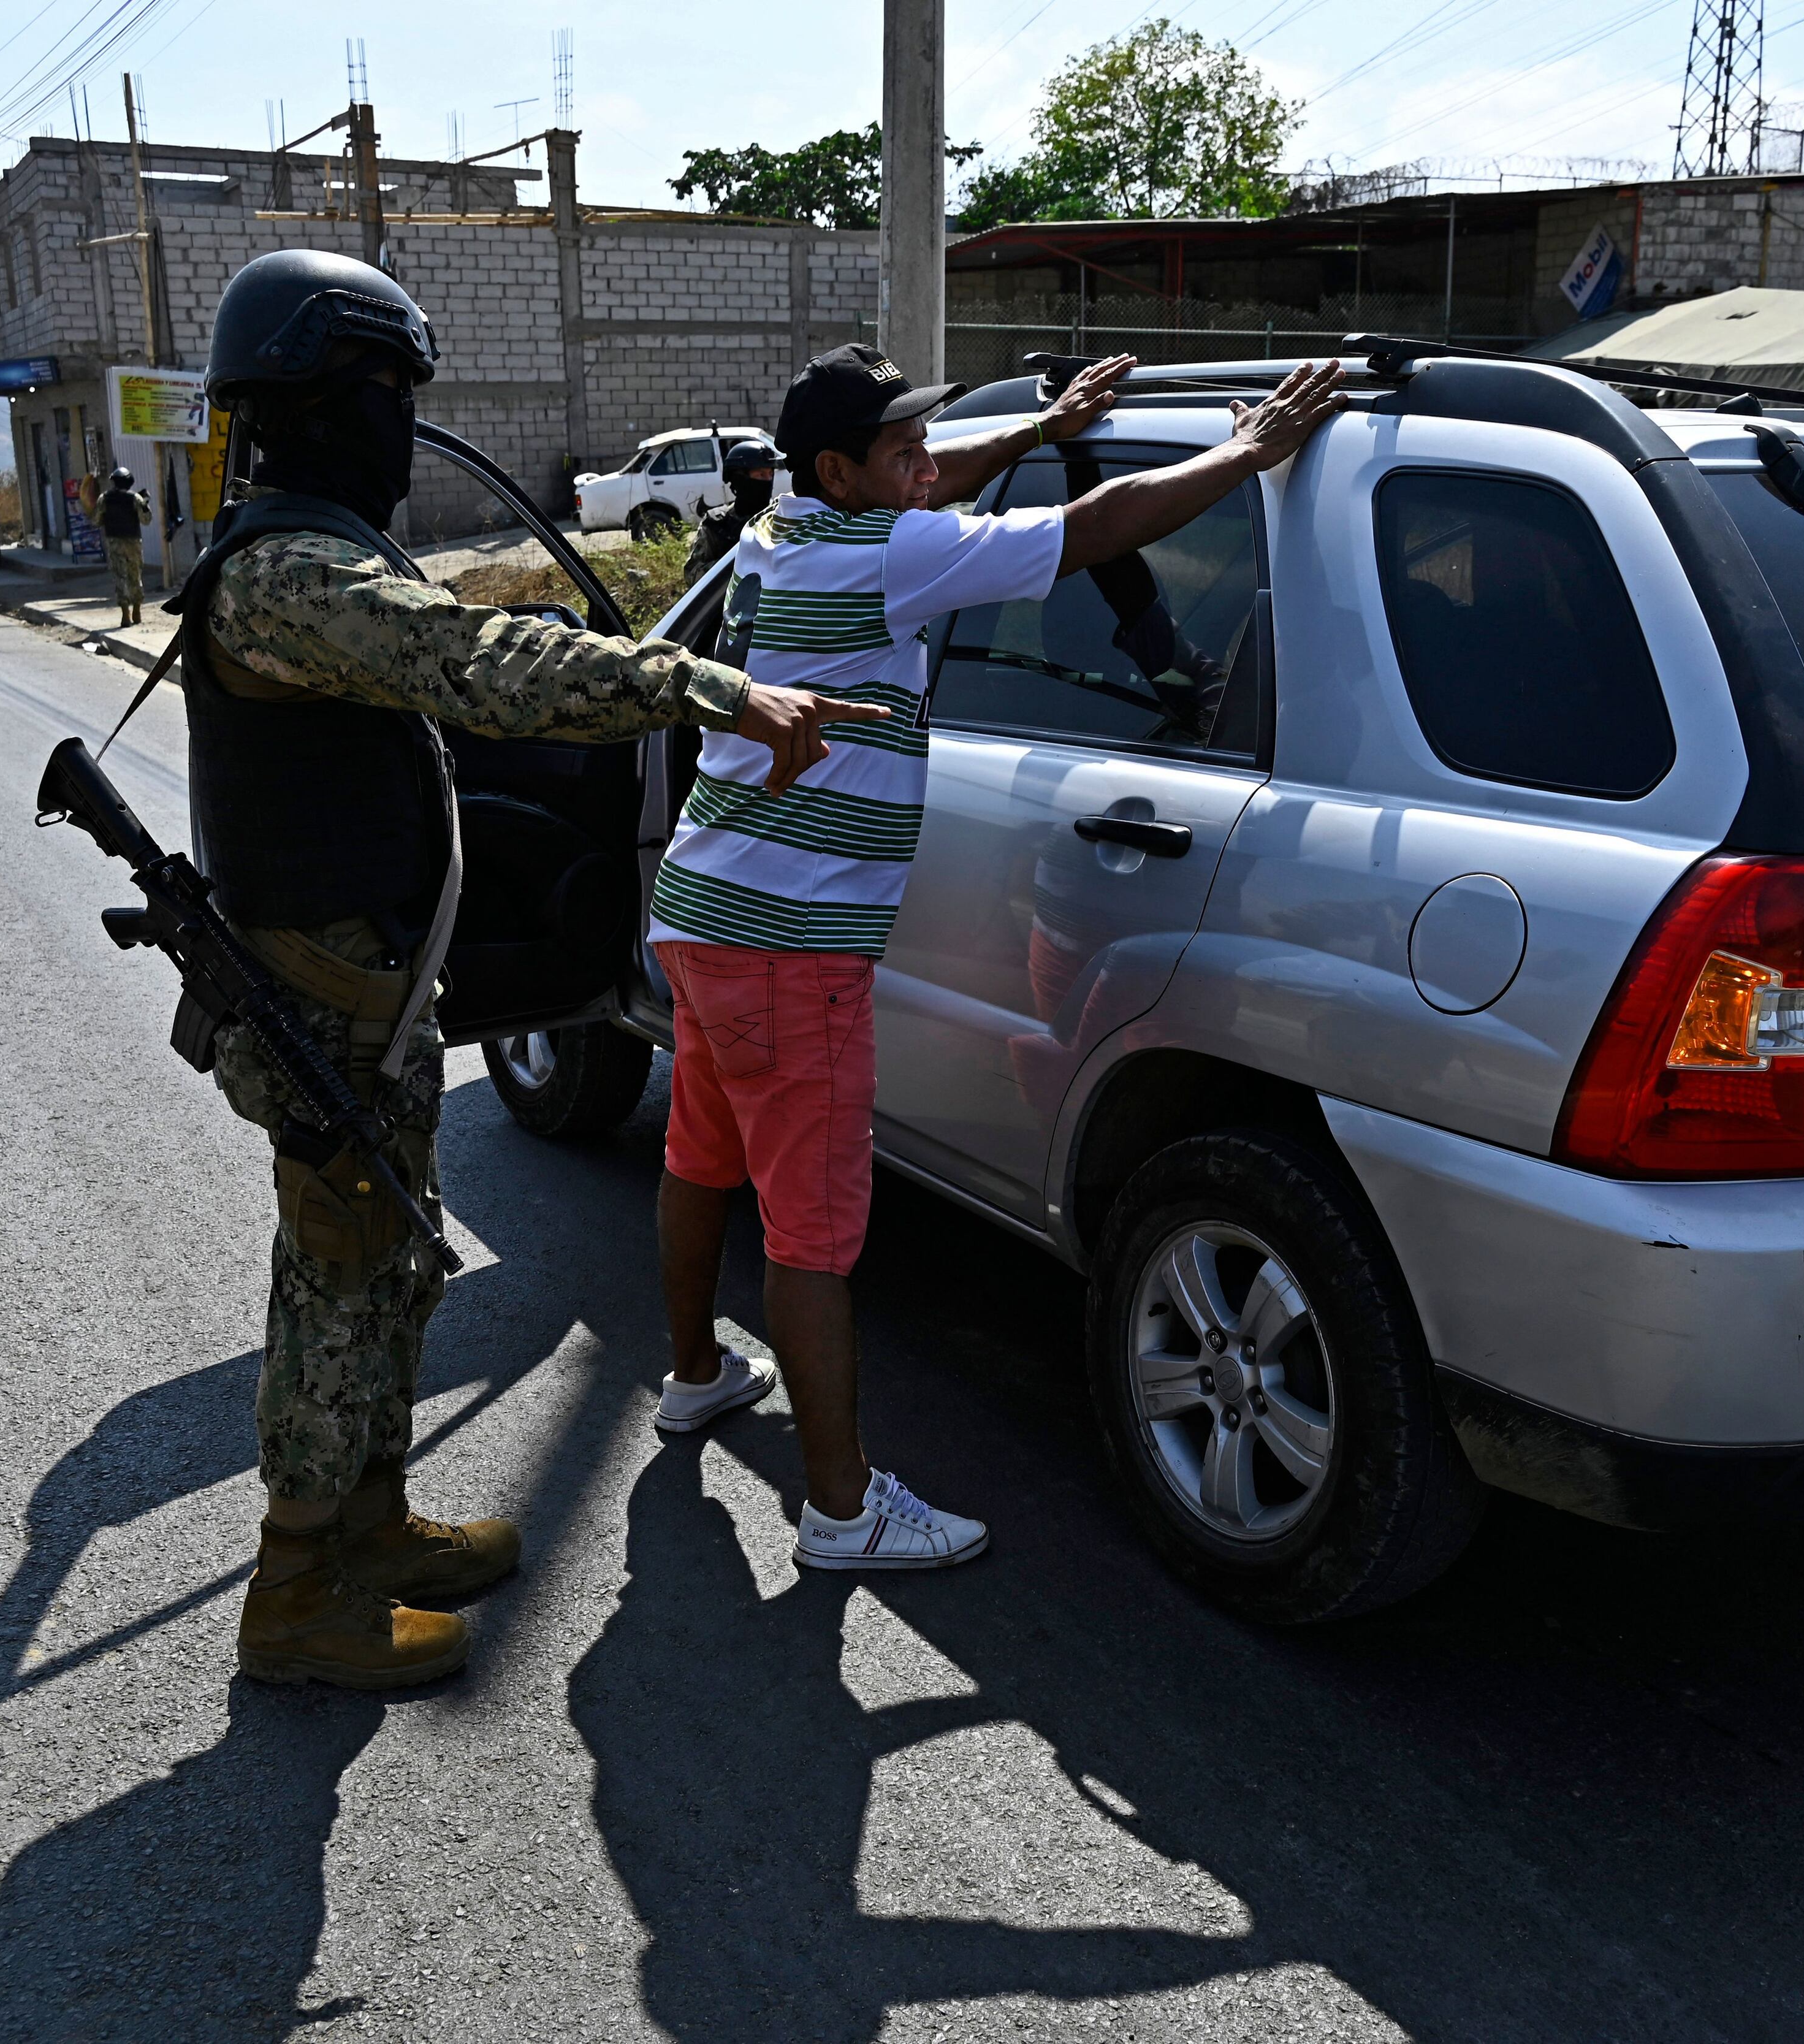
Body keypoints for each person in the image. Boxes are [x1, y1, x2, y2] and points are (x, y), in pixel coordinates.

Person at [177, 248, 878, 1688]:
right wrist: (705, 685)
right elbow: (482, 663)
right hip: (321, 989)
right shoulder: (288, 576)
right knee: (337, 1278)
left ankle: (368, 1524)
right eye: (388, 394)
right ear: (318, 402)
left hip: (367, 983)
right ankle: (299, 1588)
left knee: (387, 1270)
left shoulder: (314, 553)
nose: (403, 423)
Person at [645, 341, 1340, 1568]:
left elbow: (941, 477)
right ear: (839, 469)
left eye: (928, 439)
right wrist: (1246, 452)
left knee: (702, 1156)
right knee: (810, 1230)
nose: (927, 463)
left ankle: (695, 1373)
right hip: (791, 943)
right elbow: (1092, 526)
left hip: (704, 910)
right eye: (901, 447)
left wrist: (1037, 425)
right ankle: (841, 1511)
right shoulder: (896, 554)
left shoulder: (778, 528)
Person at [685, 434, 779, 578]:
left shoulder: (780, 516)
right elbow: (692, 574)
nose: (767, 481)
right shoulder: (717, 524)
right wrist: (733, 567)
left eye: (770, 474)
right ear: (739, 479)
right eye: (761, 475)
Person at [96, 462, 150, 626]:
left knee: (120, 576)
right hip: (133, 541)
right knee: (135, 575)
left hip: (114, 542)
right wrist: (145, 502)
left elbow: (97, 520)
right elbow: (146, 520)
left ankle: (125, 613)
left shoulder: (104, 498)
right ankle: (137, 611)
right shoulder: (135, 498)